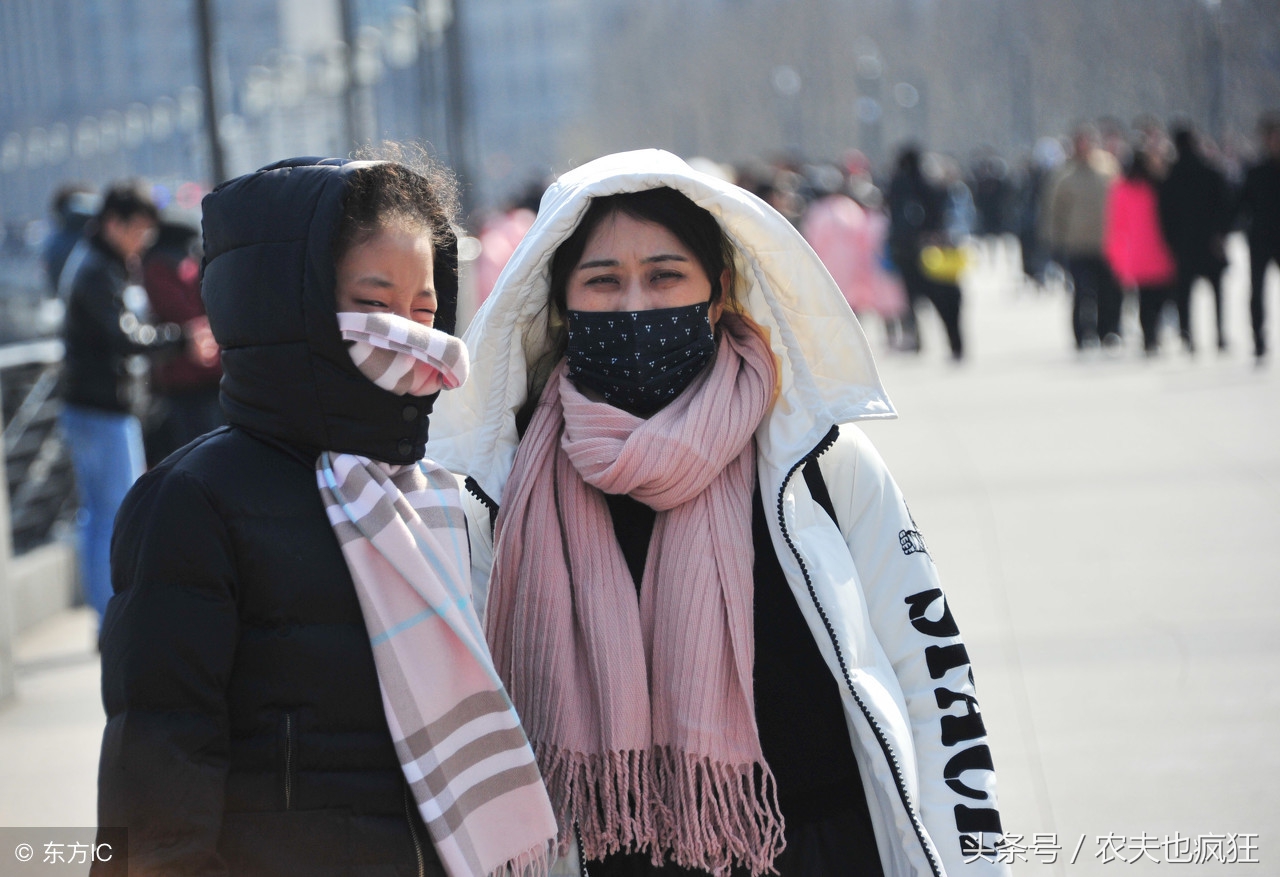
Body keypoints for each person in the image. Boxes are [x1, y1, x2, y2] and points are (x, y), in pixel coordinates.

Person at [431, 150, 1009, 877]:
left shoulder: (819, 460)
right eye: (603, 281)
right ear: (559, 304)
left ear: (718, 292)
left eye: (666, 275)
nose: (635, 304)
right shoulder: (501, 491)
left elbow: (934, 682)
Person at [94, 156, 556, 877]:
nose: (409, 336)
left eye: (425, 312)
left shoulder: (432, 494)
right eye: (374, 308)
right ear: (290, 308)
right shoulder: (193, 501)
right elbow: (156, 782)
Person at [58, 182, 204, 624]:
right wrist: (180, 340)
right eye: (138, 229)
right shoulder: (99, 271)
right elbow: (124, 337)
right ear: (113, 224)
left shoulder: (99, 264)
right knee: (113, 514)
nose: (143, 240)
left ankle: (109, 613)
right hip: (102, 409)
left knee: (103, 514)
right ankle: (113, 617)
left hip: (94, 407)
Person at [139, 216, 224, 465]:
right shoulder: (190, 266)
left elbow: (175, 313)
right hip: (209, 371)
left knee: (191, 457)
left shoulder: (154, 270)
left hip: (181, 378)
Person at [1041, 126, 1121, 350]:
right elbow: (1054, 212)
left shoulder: (1108, 169)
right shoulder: (1064, 176)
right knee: (1082, 293)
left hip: (1106, 243)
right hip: (1077, 244)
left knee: (1108, 292)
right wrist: (1054, 242)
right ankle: (1082, 333)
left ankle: (1108, 330)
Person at [1159, 126, 1233, 352]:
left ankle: (1186, 334)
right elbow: (1227, 207)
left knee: (1184, 293)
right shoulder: (1211, 172)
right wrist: (1221, 233)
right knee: (1217, 292)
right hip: (1211, 242)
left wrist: (1171, 241)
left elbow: (1165, 214)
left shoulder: (1171, 176)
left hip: (1184, 244)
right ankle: (1219, 333)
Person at [886, 146, 965, 359]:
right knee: (946, 300)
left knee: (910, 300)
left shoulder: (895, 185)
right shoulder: (929, 185)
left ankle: (916, 340)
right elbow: (941, 213)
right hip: (931, 250)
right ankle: (955, 344)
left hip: (905, 252)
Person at [1104, 150, 1178, 355]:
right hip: (1161, 249)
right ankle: (1155, 334)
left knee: (1144, 298)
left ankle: (1149, 337)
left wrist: (1116, 254)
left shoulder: (1121, 188)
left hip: (1137, 252)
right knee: (1160, 296)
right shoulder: (1157, 186)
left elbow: (1116, 224)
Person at [1238, 111, 1280, 363]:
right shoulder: (1255, 171)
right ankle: (1258, 339)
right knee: (1257, 290)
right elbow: (1240, 204)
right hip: (1261, 238)